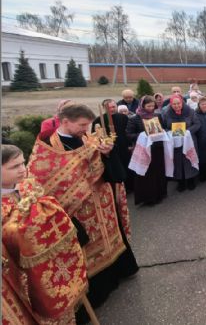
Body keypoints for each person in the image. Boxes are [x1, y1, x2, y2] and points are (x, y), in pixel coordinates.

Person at [27, 104, 139, 313]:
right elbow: (40, 185)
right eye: (82, 125)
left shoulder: (88, 139)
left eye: (87, 125)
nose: (86, 130)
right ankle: (98, 293)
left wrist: (108, 154)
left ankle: (119, 273)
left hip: (103, 205)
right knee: (87, 250)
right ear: (65, 122)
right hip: (77, 212)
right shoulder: (46, 148)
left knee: (112, 239)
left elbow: (111, 173)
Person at [2, 145, 88, 324]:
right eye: (14, 166)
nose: (22, 169)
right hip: (25, 271)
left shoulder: (28, 184)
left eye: (23, 163)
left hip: (53, 257)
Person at [127, 96, 167, 205]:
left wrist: (162, 131)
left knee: (158, 172)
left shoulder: (157, 116)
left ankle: (160, 194)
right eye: (148, 106)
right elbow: (129, 134)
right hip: (144, 150)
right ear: (142, 105)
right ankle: (148, 198)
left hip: (157, 149)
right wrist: (143, 135)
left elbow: (163, 128)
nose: (151, 108)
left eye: (153, 106)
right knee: (146, 173)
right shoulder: (135, 118)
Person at [93, 98, 133, 192]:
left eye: (113, 107)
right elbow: (95, 137)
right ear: (104, 108)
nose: (112, 109)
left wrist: (130, 144)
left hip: (124, 147)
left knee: (127, 166)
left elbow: (128, 132)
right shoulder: (98, 120)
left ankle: (129, 188)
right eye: (109, 107)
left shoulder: (123, 117)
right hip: (109, 150)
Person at [162, 94, 200, 191]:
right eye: (174, 104)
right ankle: (180, 182)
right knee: (177, 161)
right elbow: (164, 127)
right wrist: (169, 132)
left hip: (189, 140)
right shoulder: (166, 113)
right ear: (171, 104)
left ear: (182, 102)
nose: (176, 106)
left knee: (189, 160)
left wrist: (188, 131)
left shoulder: (190, 111)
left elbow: (197, 124)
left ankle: (191, 181)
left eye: (178, 103)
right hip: (174, 142)